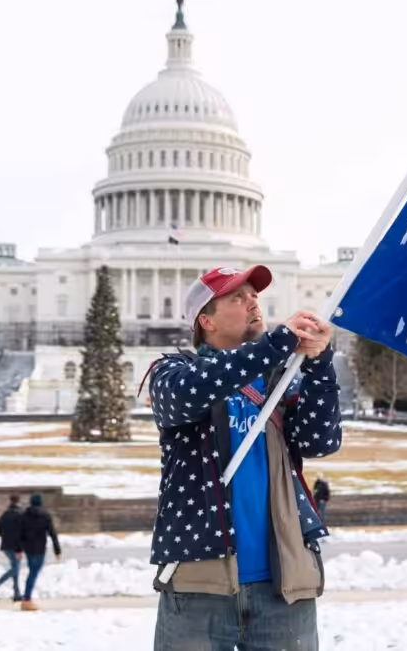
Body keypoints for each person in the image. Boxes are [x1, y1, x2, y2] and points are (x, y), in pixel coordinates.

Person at [145, 265, 342, 650]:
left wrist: (319, 364)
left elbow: (321, 440)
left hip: (283, 582)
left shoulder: (280, 381)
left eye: (254, 296)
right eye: (237, 298)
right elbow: (196, 391)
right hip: (200, 583)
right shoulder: (173, 373)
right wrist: (276, 344)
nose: (253, 302)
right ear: (206, 321)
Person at [18, 493, 61, 611]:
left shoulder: (24, 516)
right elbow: (52, 533)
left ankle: (26, 599)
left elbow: (19, 534)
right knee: (34, 573)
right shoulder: (45, 516)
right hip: (40, 548)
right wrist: (57, 550)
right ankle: (27, 600)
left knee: (32, 572)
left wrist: (19, 549)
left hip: (28, 548)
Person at [0, 494, 24, 602]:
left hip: (6, 546)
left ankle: (17, 593)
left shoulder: (4, 514)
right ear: (18, 502)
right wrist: (19, 549)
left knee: (15, 568)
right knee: (15, 569)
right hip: (16, 547)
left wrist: (7, 537)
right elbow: (21, 533)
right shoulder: (21, 514)